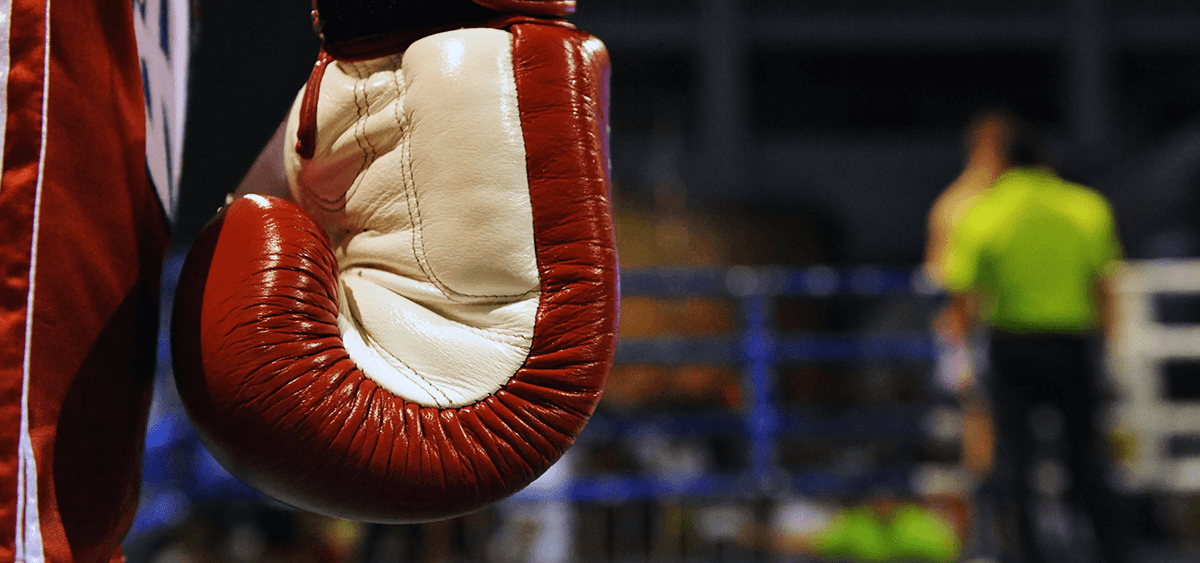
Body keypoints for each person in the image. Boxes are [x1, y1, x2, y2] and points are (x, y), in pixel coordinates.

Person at [938, 127, 1126, 563]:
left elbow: (962, 292)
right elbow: (1104, 286)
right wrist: (1107, 348)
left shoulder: (983, 212)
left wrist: (959, 356)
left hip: (1011, 345)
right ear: (1047, 163)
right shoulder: (1086, 206)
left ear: (1005, 164)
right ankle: (1108, 548)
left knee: (1014, 459)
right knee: (1088, 455)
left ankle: (1024, 552)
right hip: (1073, 344)